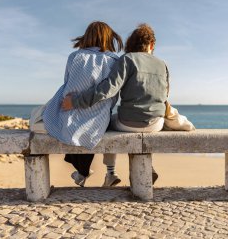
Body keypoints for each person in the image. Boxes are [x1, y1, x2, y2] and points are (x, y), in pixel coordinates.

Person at [62, 23, 169, 184]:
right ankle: (149, 166)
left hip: (129, 122)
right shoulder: (163, 64)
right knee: (140, 127)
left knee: (106, 124)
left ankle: (110, 173)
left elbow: (108, 90)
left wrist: (76, 101)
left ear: (130, 44)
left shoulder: (126, 59)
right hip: (156, 123)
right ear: (151, 45)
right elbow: (165, 94)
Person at [42, 21, 123, 187]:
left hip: (71, 110)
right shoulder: (114, 60)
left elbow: (67, 84)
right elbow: (113, 93)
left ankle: (83, 171)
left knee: (55, 119)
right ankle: (97, 172)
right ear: (109, 38)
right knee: (97, 121)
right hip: (99, 118)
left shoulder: (75, 57)